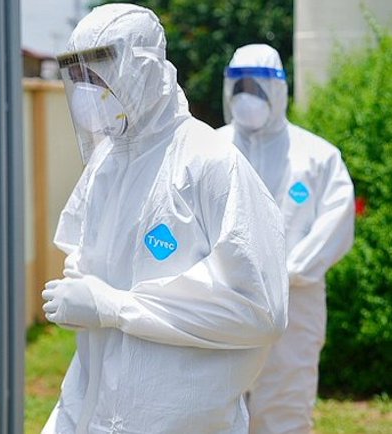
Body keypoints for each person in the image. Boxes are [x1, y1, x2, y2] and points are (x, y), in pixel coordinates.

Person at [40, 4, 289, 433]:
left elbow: (259, 308)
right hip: (94, 413)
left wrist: (115, 307)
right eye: (78, 75)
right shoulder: (105, 166)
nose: (87, 90)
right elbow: (89, 279)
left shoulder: (209, 162)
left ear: (146, 68)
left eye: (99, 72)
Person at [217, 44, 355, 434]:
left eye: (258, 87)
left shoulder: (316, 157)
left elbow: (336, 222)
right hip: (227, 300)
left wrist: (288, 272)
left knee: (286, 406)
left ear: (279, 90)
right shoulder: (211, 150)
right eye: (240, 85)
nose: (248, 96)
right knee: (218, 405)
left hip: (296, 304)